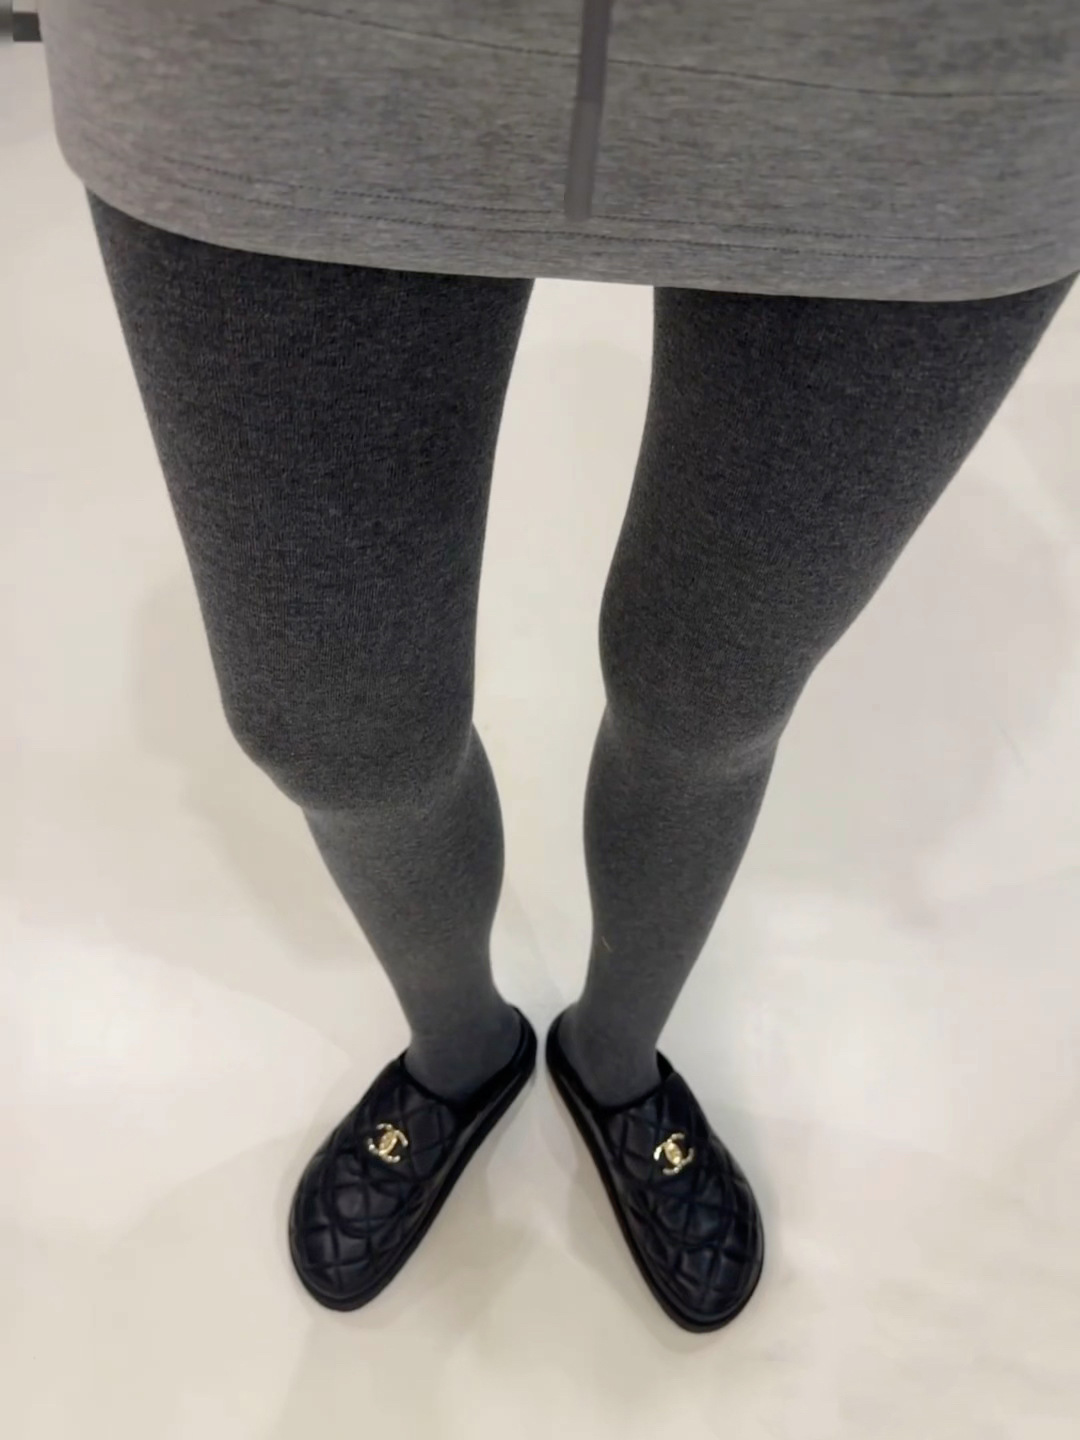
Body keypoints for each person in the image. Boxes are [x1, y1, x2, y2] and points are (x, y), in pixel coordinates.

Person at [41, 0, 1078, 1332]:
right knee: (337, 726)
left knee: (713, 694)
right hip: (297, 56)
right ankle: (460, 1052)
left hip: (929, 83)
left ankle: (618, 1062)